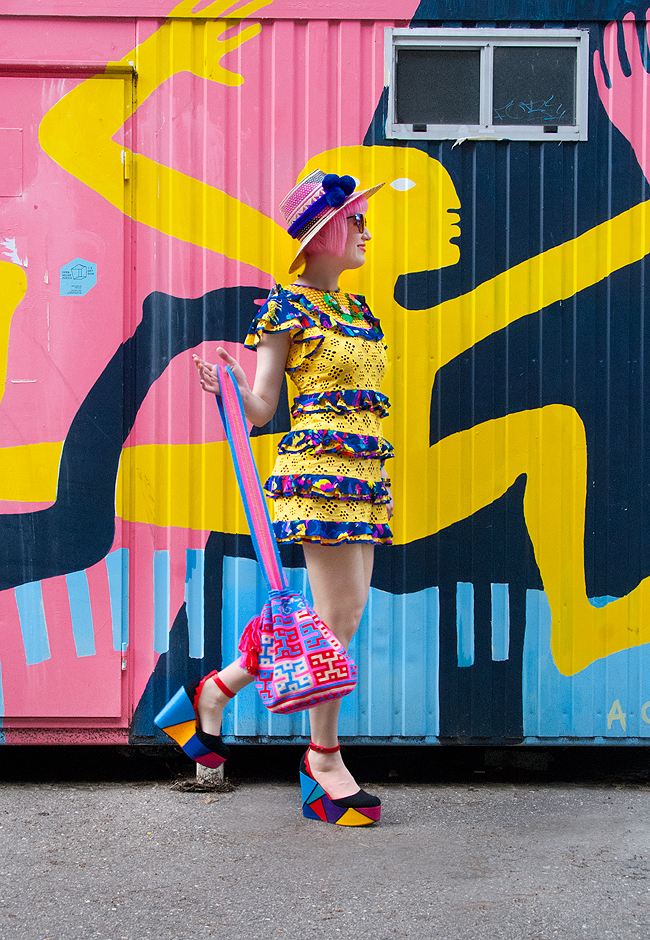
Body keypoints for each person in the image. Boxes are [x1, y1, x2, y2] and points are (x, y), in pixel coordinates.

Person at [186, 170, 390, 824]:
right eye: (355, 220)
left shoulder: (358, 310)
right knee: (339, 617)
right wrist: (230, 385)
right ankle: (322, 760)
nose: (365, 231)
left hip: (365, 474)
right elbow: (263, 406)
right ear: (322, 234)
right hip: (320, 474)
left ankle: (215, 691)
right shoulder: (286, 307)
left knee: (338, 617)